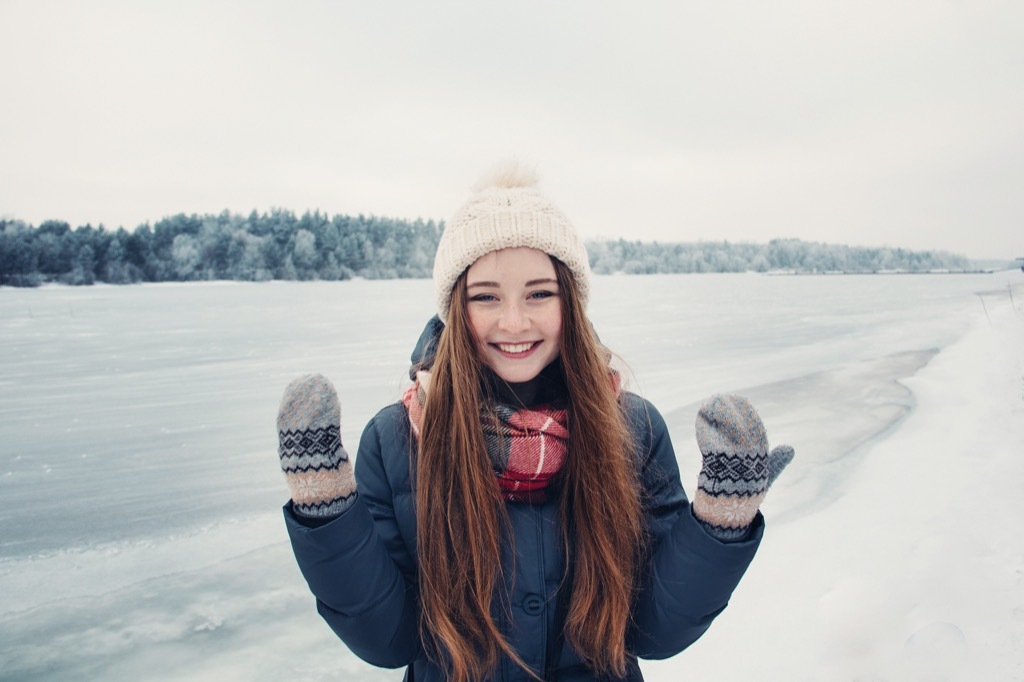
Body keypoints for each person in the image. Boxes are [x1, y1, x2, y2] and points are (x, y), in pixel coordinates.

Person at [276, 161, 794, 682]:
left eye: (539, 293)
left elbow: (653, 630)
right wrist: (328, 513)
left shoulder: (631, 429)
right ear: (456, 308)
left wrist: (719, 525)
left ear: (570, 300)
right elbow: (390, 639)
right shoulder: (395, 440)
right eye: (486, 297)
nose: (515, 322)